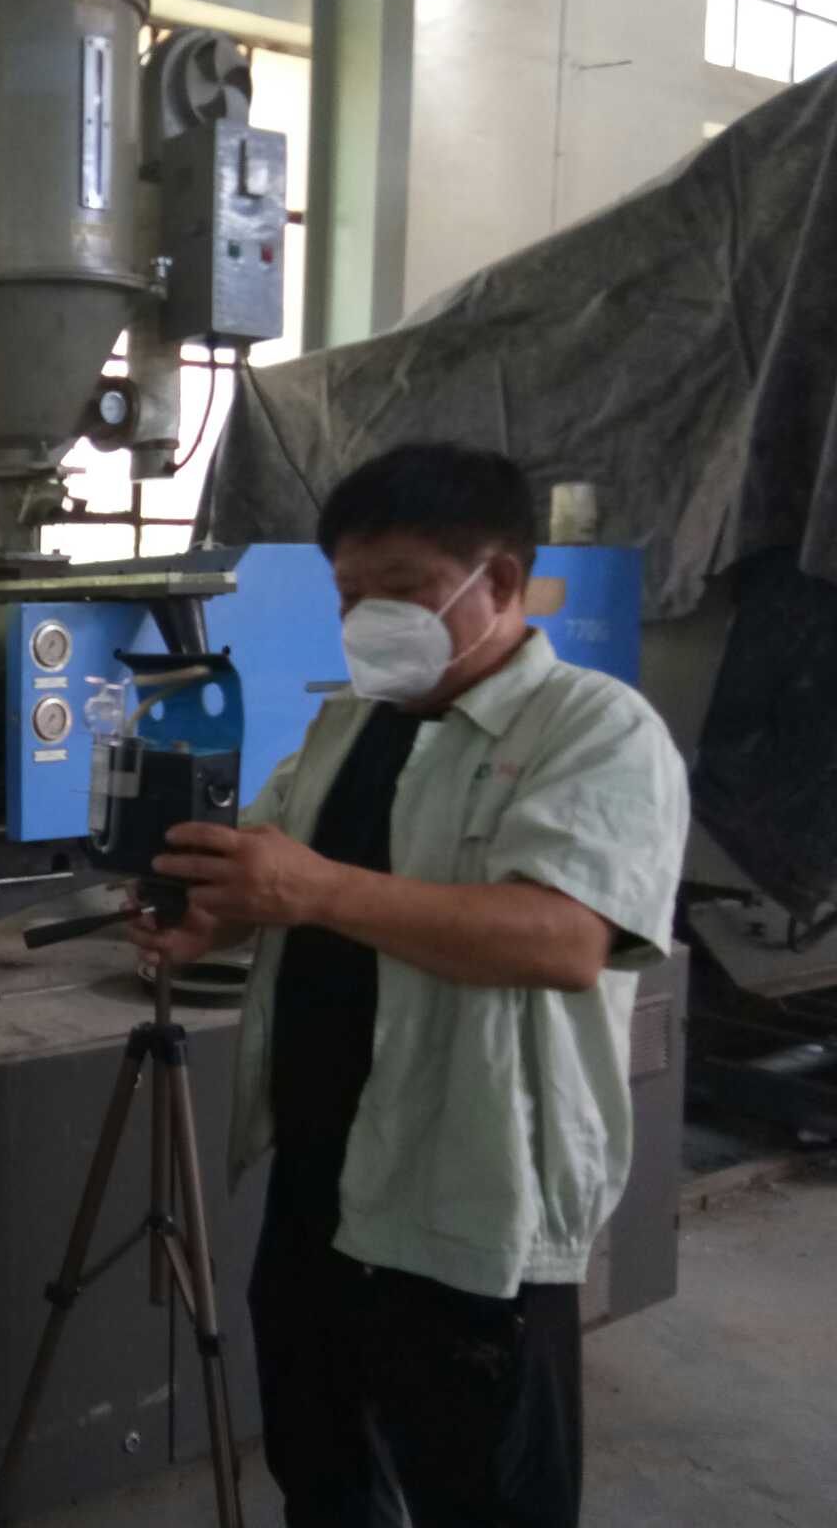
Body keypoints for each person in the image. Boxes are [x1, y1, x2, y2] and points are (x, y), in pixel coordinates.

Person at [136, 443, 688, 1527]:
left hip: (469, 1192)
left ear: (501, 580)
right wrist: (213, 911)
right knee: (320, 1469)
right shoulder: (350, 720)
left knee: (479, 1492)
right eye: (349, 596)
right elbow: (276, 867)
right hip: (318, 1173)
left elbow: (563, 939)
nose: (367, 620)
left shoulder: (596, 730)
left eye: (400, 590)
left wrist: (315, 888)